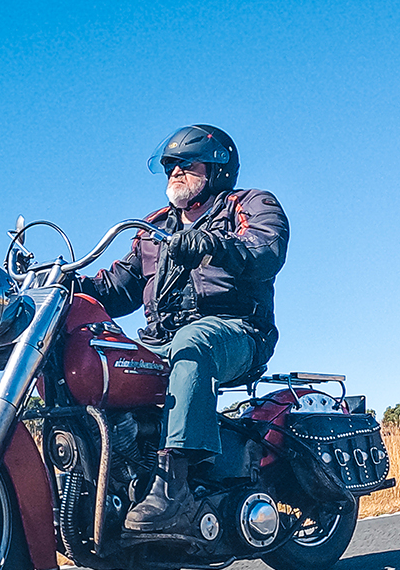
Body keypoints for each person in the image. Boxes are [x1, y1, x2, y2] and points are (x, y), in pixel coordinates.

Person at [77, 125, 288, 534]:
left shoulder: (249, 205)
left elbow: (266, 250)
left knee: (193, 342)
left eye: (185, 164)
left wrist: (215, 245)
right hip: (159, 342)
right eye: (170, 165)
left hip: (237, 332)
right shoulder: (154, 228)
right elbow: (118, 288)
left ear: (218, 169)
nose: (174, 171)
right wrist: (65, 285)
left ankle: (175, 489)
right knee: (96, 354)